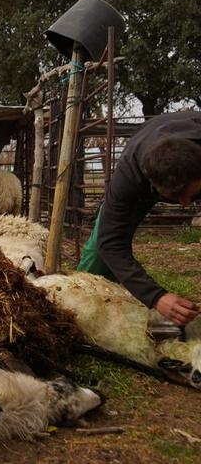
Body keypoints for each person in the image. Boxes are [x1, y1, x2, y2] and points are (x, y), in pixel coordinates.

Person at [77, 111, 201, 328]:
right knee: (100, 247)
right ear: (152, 184)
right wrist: (156, 297)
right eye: (176, 197)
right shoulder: (130, 175)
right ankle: (81, 302)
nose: (185, 205)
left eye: (190, 195)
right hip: (143, 160)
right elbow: (110, 242)